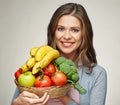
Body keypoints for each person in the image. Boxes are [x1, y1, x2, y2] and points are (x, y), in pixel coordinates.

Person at [11, 2, 107, 105]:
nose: (66, 36)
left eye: (75, 30)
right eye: (61, 29)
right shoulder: (36, 67)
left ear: (84, 34)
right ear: (53, 32)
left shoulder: (97, 74)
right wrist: (16, 103)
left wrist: (63, 95)